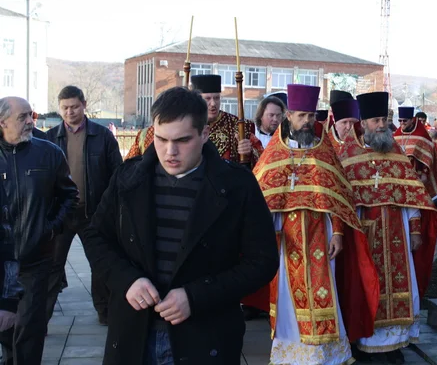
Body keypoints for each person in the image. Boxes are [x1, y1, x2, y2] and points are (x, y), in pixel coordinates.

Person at [80, 87, 279, 364]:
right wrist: (127, 280)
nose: (169, 152)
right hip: (134, 332)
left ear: (204, 135)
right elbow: (96, 236)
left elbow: (263, 261)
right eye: (161, 139)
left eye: (183, 140)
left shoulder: (237, 185)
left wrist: (196, 297)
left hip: (205, 335)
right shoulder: (128, 178)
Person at [253, 84, 378, 365]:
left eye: (311, 115)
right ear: (288, 117)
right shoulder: (274, 154)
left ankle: (324, 355)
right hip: (286, 241)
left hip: (321, 238)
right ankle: (291, 356)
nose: (308, 121)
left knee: (326, 292)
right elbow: (261, 200)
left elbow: (338, 199)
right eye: (301, 116)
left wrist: (338, 233)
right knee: (286, 297)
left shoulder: (325, 153)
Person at [338, 91, 437, 363]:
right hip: (365, 236)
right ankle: (365, 342)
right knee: (366, 288)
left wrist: (416, 230)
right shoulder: (347, 154)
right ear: (363, 122)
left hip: (397, 235)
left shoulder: (395, 151)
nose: (382, 125)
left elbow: (413, 195)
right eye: (375, 120)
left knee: (398, 289)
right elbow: (343, 200)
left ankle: (394, 345)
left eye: (384, 119)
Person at [0, 96, 78, 364]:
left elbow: (70, 196)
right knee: (6, 327)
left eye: (31, 115)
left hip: (35, 259)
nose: (30, 122)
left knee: (30, 328)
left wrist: (51, 228)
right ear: (2, 122)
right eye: (22, 117)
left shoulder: (49, 153)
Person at [45, 85, 123, 325]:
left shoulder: (102, 136)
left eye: (74, 106)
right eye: (65, 108)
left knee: (100, 265)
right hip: (62, 214)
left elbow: (117, 175)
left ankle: (105, 313)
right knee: (52, 266)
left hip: (93, 213)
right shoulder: (50, 138)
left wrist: (110, 210)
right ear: (59, 109)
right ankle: (40, 319)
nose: (70, 112)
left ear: (84, 105)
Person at [126, 74, 263, 166]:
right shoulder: (154, 132)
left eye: (217, 98)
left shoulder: (238, 126)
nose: (213, 104)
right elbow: (131, 167)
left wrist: (248, 153)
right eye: (207, 99)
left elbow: (261, 165)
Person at [393, 107, 437, 203]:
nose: (402, 123)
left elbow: (429, 155)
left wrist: (424, 173)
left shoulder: (421, 135)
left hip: (416, 176)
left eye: (405, 121)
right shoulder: (396, 135)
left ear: (411, 120)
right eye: (400, 120)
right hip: (399, 175)